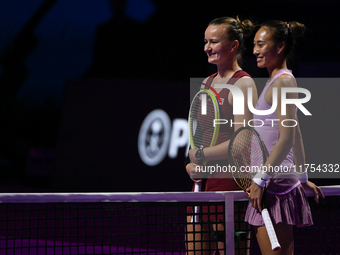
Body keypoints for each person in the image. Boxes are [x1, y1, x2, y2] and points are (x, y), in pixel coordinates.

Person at [246, 20, 325, 255]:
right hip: (275, 182)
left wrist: (260, 180)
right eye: (254, 45)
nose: (255, 51)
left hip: (273, 186)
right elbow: (296, 131)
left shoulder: (283, 82)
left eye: (261, 44)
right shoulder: (279, 80)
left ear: (280, 46)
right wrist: (302, 177)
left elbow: (287, 138)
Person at [185, 16, 257, 255]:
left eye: (214, 41)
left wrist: (201, 156)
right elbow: (202, 133)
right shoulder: (206, 83)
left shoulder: (243, 84)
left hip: (230, 183)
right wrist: (194, 164)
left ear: (233, 45)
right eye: (205, 41)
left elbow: (242, 143)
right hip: (202, 184)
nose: (207, 47)